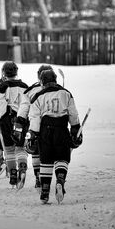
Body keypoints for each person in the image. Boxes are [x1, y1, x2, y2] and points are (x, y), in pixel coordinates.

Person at [26, 69, 83, 204]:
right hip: (61, 129)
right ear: (55, 79)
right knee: (62, 157)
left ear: (42, 81)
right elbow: (73, 114)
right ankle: (60, 179)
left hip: (45, 131)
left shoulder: (38, 96)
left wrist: (32, 135)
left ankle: (45, 191)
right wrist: (75, 129)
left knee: (46, 160)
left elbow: (34, 119)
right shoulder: (66, 93)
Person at [15, 64, 52, 190]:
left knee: (35, 152)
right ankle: (47, 176)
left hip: (34, 124)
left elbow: (24, 108)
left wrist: (19, 122)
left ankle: (38, 178)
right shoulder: (59, 89)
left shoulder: (30, 90)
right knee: (47, 152)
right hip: (52, 125)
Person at [0, 61, 28, 188]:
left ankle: (13, 173)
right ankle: (23, 167)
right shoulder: (25, 85)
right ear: (16, 72)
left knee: (9, 148)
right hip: (22, 119)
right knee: (20, 147)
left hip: (8, 119)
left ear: (4, 72)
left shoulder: (2, 86)